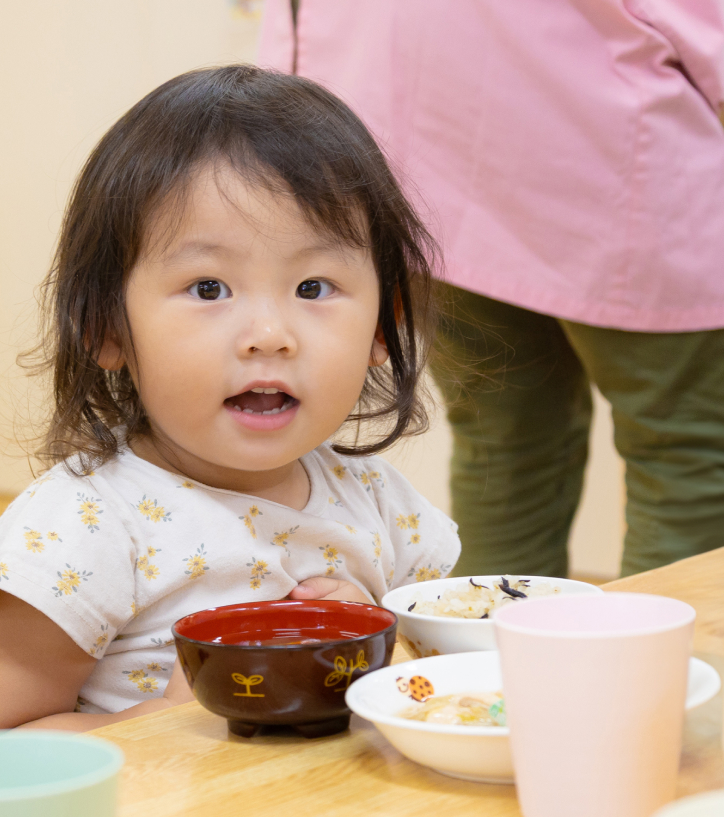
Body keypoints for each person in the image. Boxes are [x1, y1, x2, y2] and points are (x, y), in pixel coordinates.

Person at [0, 66, 460, 733]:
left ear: (381, 328)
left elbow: (447, 685)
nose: (270, 337)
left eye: (313, 288)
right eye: (210, 289)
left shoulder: (384, 511)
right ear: (106, 327)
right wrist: (169, 722)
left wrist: (379, 649)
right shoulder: (85, 531)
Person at [259, 0, 724, 578]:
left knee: (503, 447)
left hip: (424, 167)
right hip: (611, 160)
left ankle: (488, 664)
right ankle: (655, 667)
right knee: (686, 453)